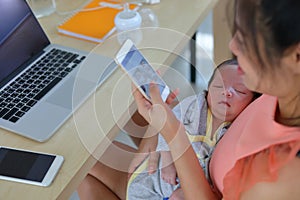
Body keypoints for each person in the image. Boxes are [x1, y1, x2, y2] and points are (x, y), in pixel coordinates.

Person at [78, 0, 300, 199]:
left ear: (296, 56)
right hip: (187, 158)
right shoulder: (281, 92)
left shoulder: (285, 177)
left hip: (183, 185)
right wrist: (156, 135)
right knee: (121, 109)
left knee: (78, 164)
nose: (232, 46)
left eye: (245, 38)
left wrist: (171, 133)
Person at [126, 59, 259, 200]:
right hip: (156, 179)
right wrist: (167, 162)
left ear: (252, 103)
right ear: (208, 90)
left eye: (239, 91)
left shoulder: (235, 129)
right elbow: (166, 130)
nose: (227, 92)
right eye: (219, 86)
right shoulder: (192, 107)